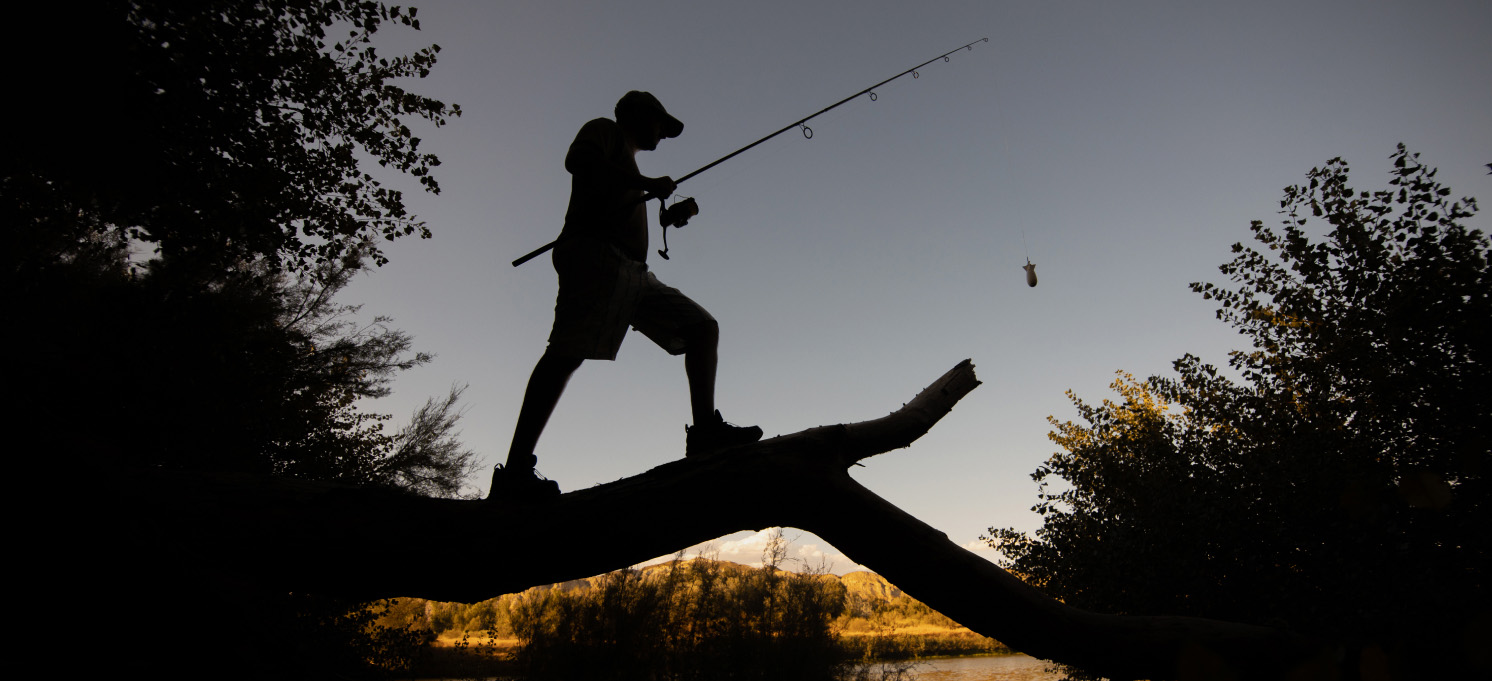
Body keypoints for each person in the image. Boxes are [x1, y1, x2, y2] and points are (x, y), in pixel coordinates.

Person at [491, 91, 762, 500]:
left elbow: (616, 190)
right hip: (596, 254)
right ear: (635, 114)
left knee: (702, 328)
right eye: (660, 124)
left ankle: (705, 432)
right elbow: (578, 162)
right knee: (566, 353)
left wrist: (661, 208)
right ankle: (514, 473)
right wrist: (645, 184)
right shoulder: (605, 131)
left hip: (634, 274)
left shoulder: (629, 166)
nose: (663, 135)